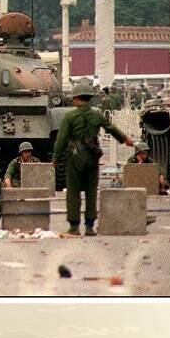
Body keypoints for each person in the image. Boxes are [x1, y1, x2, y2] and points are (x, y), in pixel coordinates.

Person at [52, 78, 133, 235]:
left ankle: (74, 227)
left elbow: (61, 139)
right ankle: (89, 226)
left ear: (76, 98)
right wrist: (126, 140)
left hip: (75, 157)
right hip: (92, 156)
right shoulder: (96, 115)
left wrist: (55, 158)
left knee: (73, 192)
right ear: (89, 98)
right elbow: (111, 128)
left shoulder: (69, 117)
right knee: (91, 191)